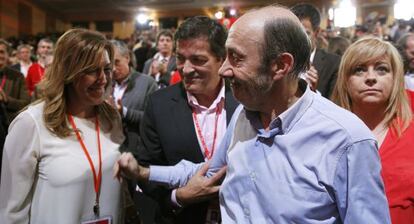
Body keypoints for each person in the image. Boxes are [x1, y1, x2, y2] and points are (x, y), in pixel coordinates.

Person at [116, 5, 390, 223]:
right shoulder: (244, 116)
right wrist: (143, 172)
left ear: (280, 65)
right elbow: (205, 172)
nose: (223, 70)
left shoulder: (346, 140)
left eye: (236, 58)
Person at [0, 28, 125, 223]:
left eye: (107, 69)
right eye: (92, 70)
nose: (103, 78)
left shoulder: (111, 119)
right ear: (68, 72)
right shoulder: (31, 124)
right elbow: (11, 212)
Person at [136, 16, 238, 224]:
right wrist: (179, 197)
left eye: (198, 60)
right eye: (181, 58)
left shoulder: (245, 100)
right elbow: (146, 170)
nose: (186, 69)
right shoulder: (159, 104)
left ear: (222, 58)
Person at [332, 37, 414, 224]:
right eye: (359, 70)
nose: (370, 77)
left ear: (396, 78)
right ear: (345, 79)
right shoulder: (327, 133)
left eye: (382, 69)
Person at [109, 39, 157, 154]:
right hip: (109, 151)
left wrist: (124, 112)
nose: (113, 69)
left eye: (117, 62)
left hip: (136, 152)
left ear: (127, 58)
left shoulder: (147, 83)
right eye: (109, 64)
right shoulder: (103, 84)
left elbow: (153, 119)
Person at [291, 3, 341, 98]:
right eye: (294, 33)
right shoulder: (282, 62)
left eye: (306, 33)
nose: (298, 39)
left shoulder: (334, 64)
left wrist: (314, 93)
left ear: (317, 32)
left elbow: (335, 107)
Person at [0, 39, 30, 123]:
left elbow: (26, 104)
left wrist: (6, 100)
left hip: (7, 126)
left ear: (8, 55)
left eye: (1, 52)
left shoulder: (18, 77)